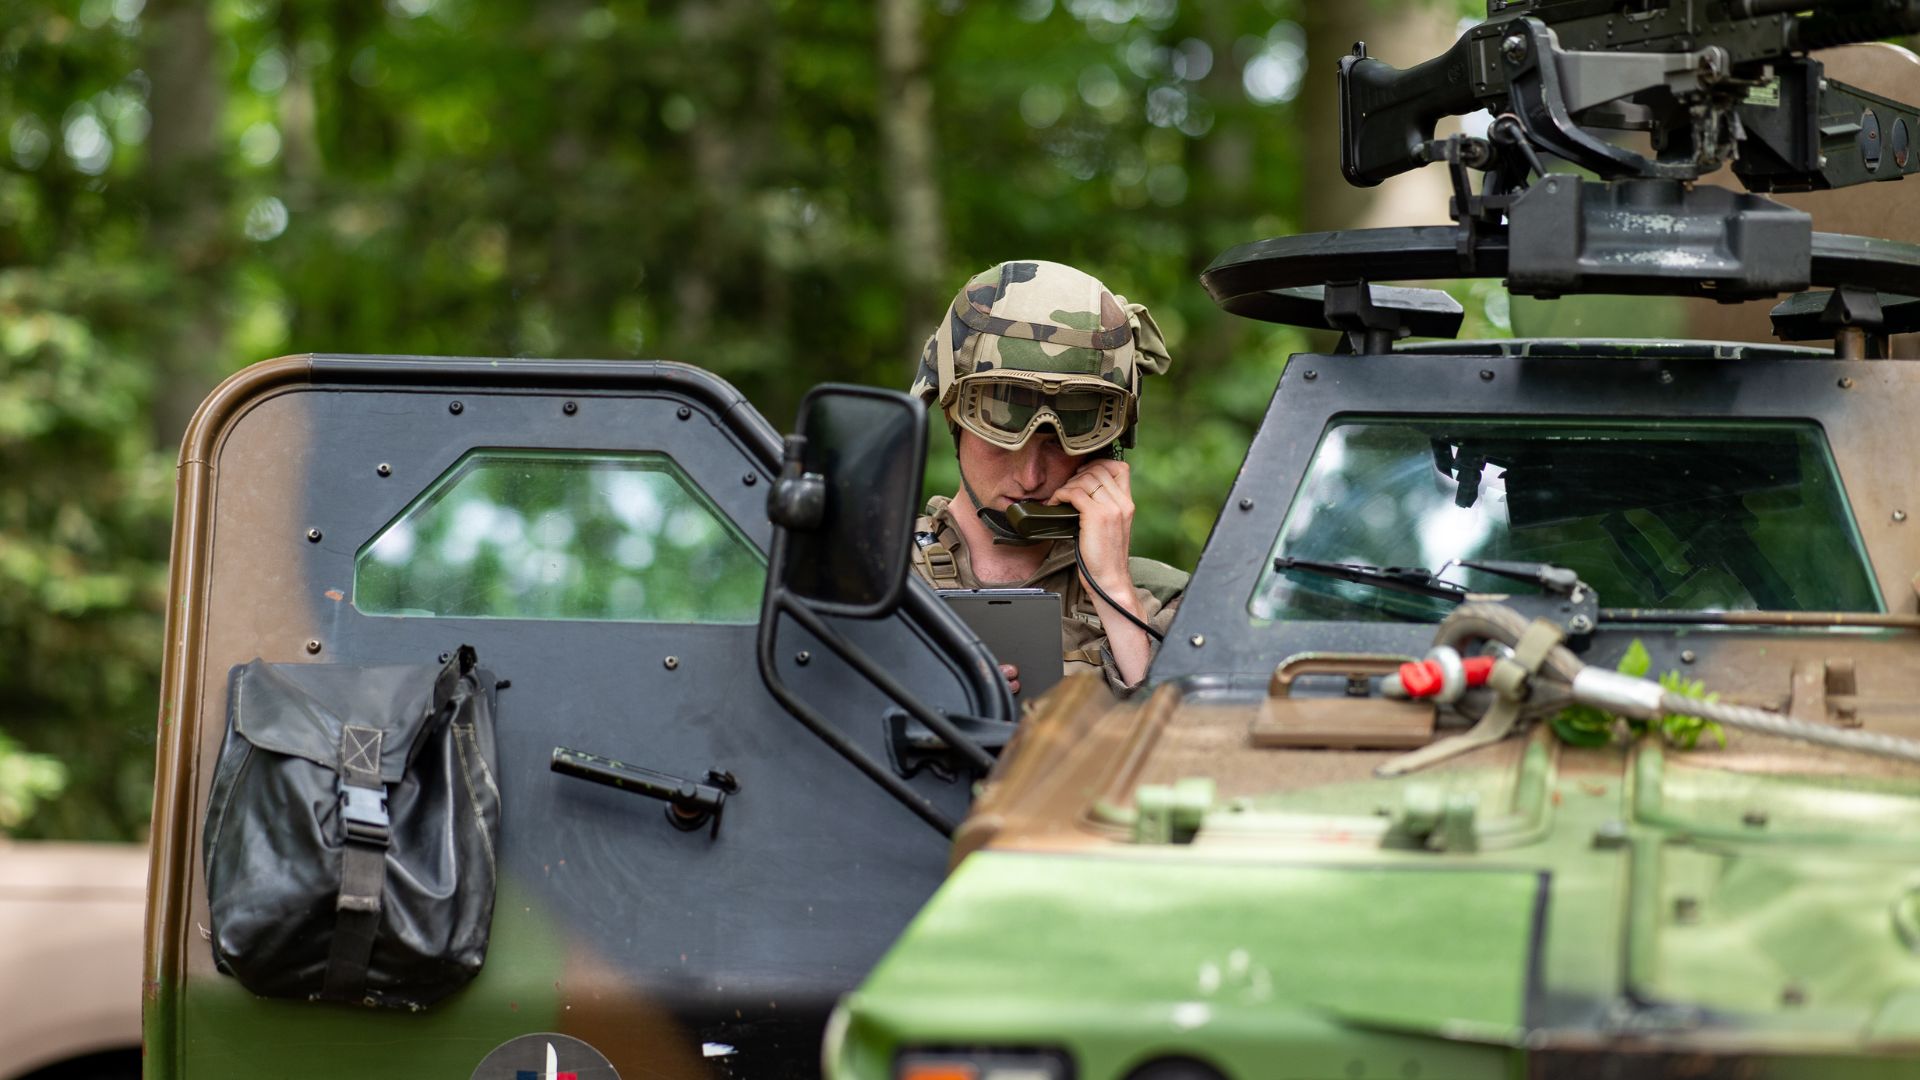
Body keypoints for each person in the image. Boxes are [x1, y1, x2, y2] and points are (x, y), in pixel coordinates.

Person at [907, 260, 1187, 695]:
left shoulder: (1165, 603)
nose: (1030, 475)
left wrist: (1114, 593)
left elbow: (1194, 753)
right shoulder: (872, 580)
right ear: (952, 413)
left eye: (1065, 438)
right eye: (1001, 429)